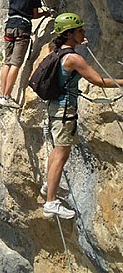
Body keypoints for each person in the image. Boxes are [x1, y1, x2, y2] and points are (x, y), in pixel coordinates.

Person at [42, 12, 123, 219]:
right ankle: (50, 202)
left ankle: (48, 186)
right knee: (62, 153)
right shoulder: (74, 59)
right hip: (65, 111)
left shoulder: (58, 51)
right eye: (79, 30)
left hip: (54, 108)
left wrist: (78, 42)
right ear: (69, 34)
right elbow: (99, 81)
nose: (83, 32)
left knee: (57, 150)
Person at [0, 0, 50, 106]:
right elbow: (34, 15)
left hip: (9, 25)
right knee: (16, 63)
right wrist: (45, 13)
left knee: (7, 62)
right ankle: (6, 96)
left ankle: (2, 95)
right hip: (23, 27)